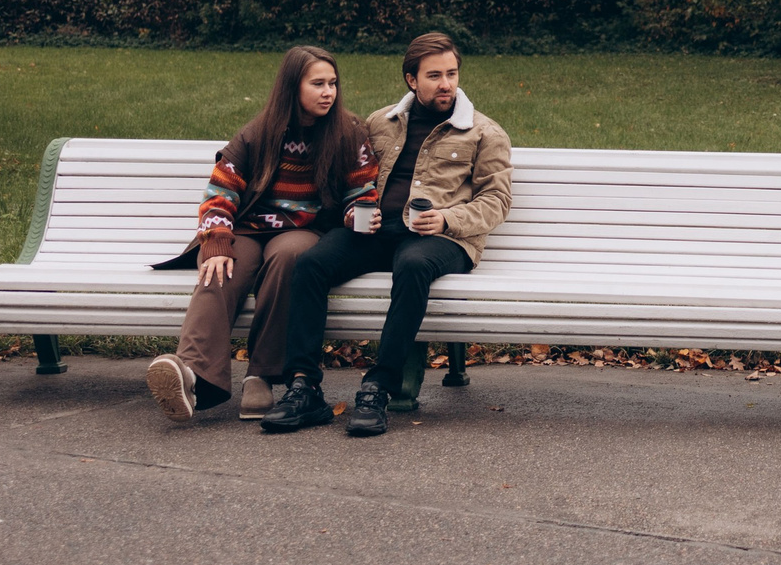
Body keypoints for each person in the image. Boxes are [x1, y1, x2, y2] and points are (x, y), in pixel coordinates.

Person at [262, 31, 512, 437]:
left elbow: (496, 201)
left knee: (412, 264)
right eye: (434, 75)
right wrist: (354, 211)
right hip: (378, 231)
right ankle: (304, 388)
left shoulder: (484, 133)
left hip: (443, 240)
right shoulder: (381, 122)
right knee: (310, 264)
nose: (446, 83)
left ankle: (379, 387)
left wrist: (446, 220)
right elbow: (352, 179)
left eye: (451, 73)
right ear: (412, 80)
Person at [146, 45, 374, 423]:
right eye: (317, 83)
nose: (328, 92)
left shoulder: (349, 131)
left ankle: (261, 377)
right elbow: (220, 193)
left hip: (305, 229)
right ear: (292, 87)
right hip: (248, 227)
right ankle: (188, 374)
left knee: (288, 258)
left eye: (332, 83)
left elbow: (361, 191)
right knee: (220, 267)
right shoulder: (258, 133)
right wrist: (217, 241)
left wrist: (356, 215)